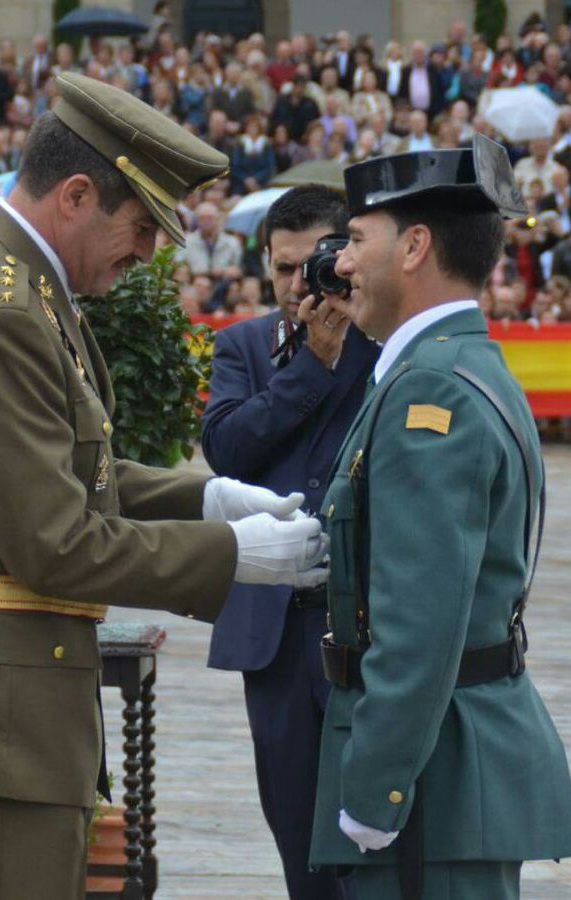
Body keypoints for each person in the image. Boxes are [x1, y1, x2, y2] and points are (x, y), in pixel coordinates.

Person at [0, 73, 327, 899]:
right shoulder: (2, 311)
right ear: (76, 194)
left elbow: (66, 468)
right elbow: (55, 543)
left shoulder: (14, 284)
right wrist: (230, 554)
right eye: (142, 223)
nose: (148, 251)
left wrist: (203, 497)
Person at [309, 135, 571, 898]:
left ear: (415, 246)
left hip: (433, 785)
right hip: (447, 764)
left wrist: (375, 787)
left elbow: (421, 620)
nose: (342, 263)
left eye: (357, 239)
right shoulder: (450, 368)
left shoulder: (436, 393)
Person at [203, 186, 378, 900]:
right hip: (274, 628)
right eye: (281, 269)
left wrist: (336, 354)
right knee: (294, 828)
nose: (298, 284)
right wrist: (308, 367)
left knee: (368, 827)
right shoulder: (243, 345)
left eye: (315, 264)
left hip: (363, 626)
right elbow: (227, 450)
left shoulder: (386, 346)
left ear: (347, 260)